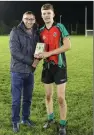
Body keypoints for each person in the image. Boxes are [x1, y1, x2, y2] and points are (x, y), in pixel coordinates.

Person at [34, 3, 71, 135]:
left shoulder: (60, 27)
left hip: (60, 67)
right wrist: (35, 62)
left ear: (53, 14)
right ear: (42, 15)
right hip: (47, 67)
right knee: (48, 96)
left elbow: (67, 46)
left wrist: (49, 54)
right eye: (44, 14)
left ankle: (62, 124)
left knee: (60, 98)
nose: (46, 16)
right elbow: (40, 49)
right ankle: (50, 119)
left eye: (48, 13)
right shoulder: (40, 30)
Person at [9, 11, 39, 132]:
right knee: (16, 100)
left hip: (30, 72)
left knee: (28, 98)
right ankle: (15, 121)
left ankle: (25, 118)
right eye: (26, 19)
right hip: (17, 71)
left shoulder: (36, 33)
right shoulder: (15, 32)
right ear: (22, 19)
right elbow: (14, 52)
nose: (29, 21)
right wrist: (31, 62)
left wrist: (38, 58)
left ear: (34, 20)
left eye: (31, 19)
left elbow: (39, 48)